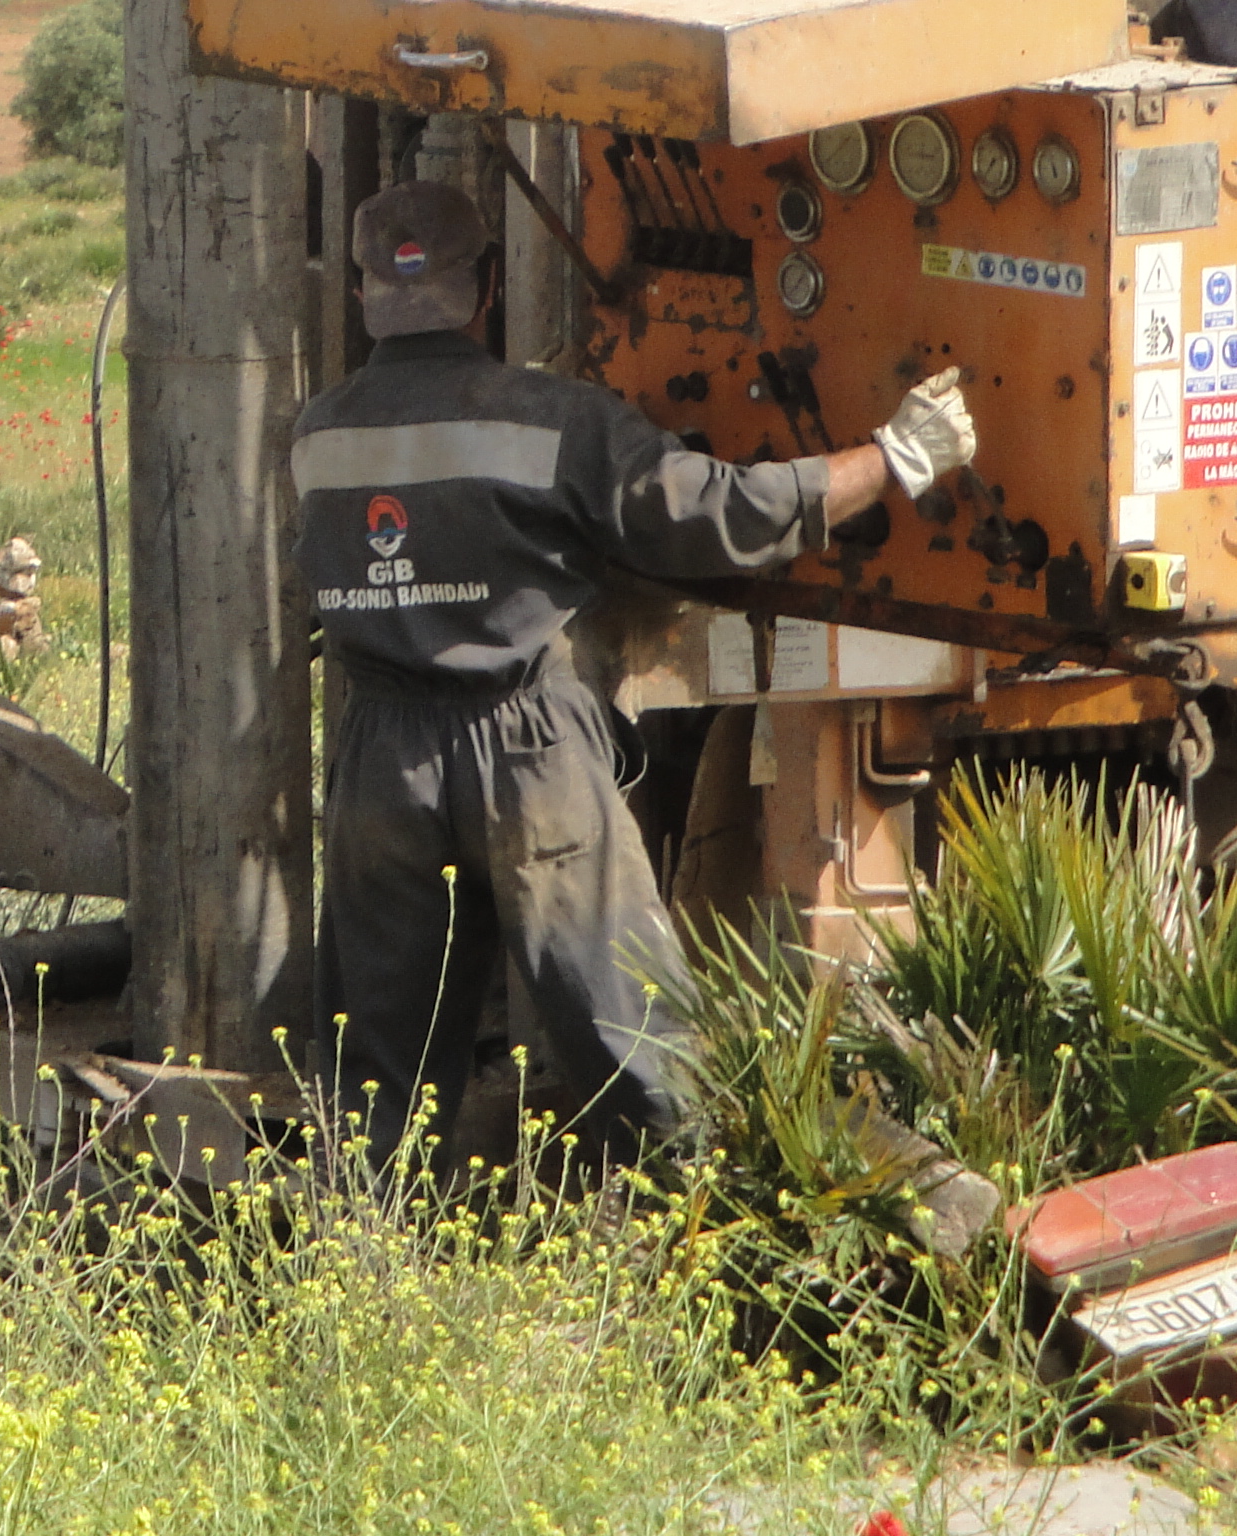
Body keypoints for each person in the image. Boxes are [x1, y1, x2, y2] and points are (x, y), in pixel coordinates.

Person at [301, 177, 979, 1162]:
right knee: (640, 1044)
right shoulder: (548, 419)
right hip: (526, 751)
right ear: (488, 287)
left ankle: (368, 1238)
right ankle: (709, 1208)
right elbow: (713, 513)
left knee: (379, 1075)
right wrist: (895, 457)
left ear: (364, 291)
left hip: (379, 761)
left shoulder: (316, 433)